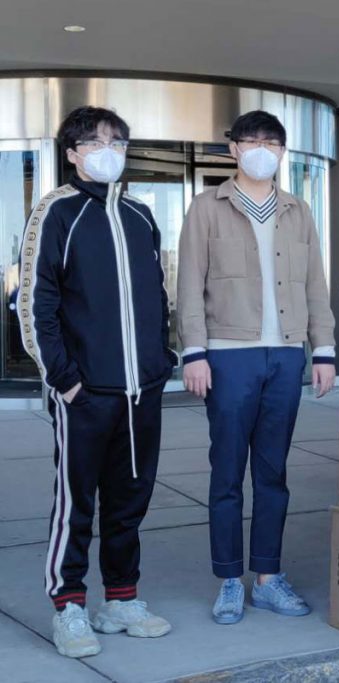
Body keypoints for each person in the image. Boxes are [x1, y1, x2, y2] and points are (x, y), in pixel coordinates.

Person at [19, 106, 175, 658]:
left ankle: (123, 599)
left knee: (130, 501)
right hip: (86, 393)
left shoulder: (140, 215)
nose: (107, 149)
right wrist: (64, 380)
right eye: (94, 141)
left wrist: (163, 360)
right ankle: (69, 607)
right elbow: (36, 304)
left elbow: (157, 296)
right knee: (76, 505)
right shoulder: (56, 213)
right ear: (72, 153)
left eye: (116, 141)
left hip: (143, 390)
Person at [177, 111, 336, 625]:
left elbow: (316, 284)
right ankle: (228, 578)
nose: (262, 149)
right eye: (252, 141)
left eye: (272, 142)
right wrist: (194, 352)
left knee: (273, 473)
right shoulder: (207, 208)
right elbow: (188, 287)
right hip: (228, 355)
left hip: (286, 356)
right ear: (234, 150)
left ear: (282, 153)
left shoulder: (298, 210)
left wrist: (324, 350)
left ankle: (267, 578)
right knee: (227, 473)